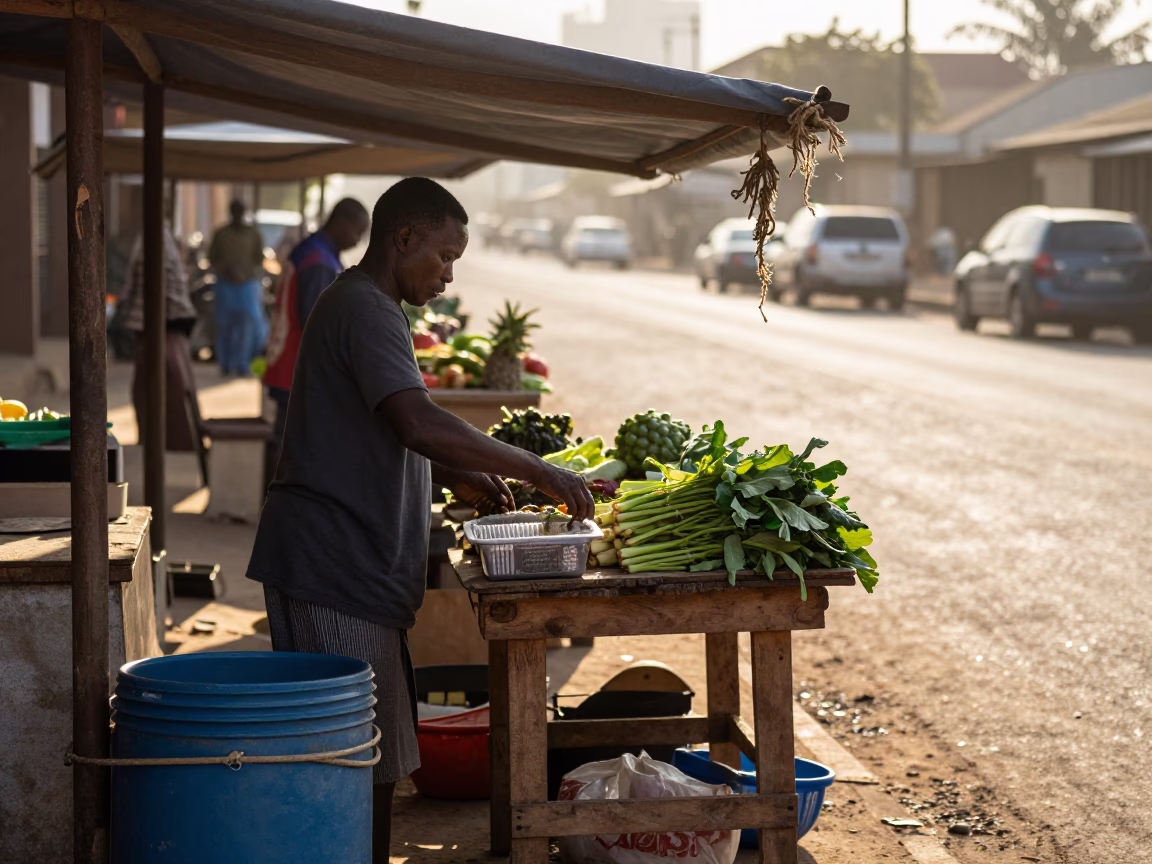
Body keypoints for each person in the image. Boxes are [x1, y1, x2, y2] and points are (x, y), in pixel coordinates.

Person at [245, 177, 594, 863]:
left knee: (367, 755)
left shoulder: (366, 305)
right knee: (348, 761)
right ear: (402, 238)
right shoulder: (367, 308)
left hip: (346, 561)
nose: (449, 274)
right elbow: (416, 420)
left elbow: (376, 431)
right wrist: (542, 470)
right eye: (443, 256)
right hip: (333, 561)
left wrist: (452, 470)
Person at [263, 198, 371, 453]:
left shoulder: (314, 250)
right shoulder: (319, 261)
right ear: (342, 223)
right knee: (294, 449)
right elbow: (317, 322)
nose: (357, 240)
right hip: (299, 370)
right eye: (358, 231)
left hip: (291, 366)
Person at [121, 222, 206, 481]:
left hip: (162, 328)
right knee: (154, 393)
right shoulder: (158, 239)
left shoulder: (154, 239)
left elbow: (137, 284)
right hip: (159, 327)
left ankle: (168, 445)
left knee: (163, 394)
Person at [208, 200, 267, 376]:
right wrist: (227, 270)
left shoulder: (253, 234)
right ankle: (225, 363)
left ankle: (243, 364)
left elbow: (259, 260)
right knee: (225, 325)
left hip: (247, 285)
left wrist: (246, 274)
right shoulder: (221, 234)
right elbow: (212, 258)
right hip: (225, 284)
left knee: (248, 324)